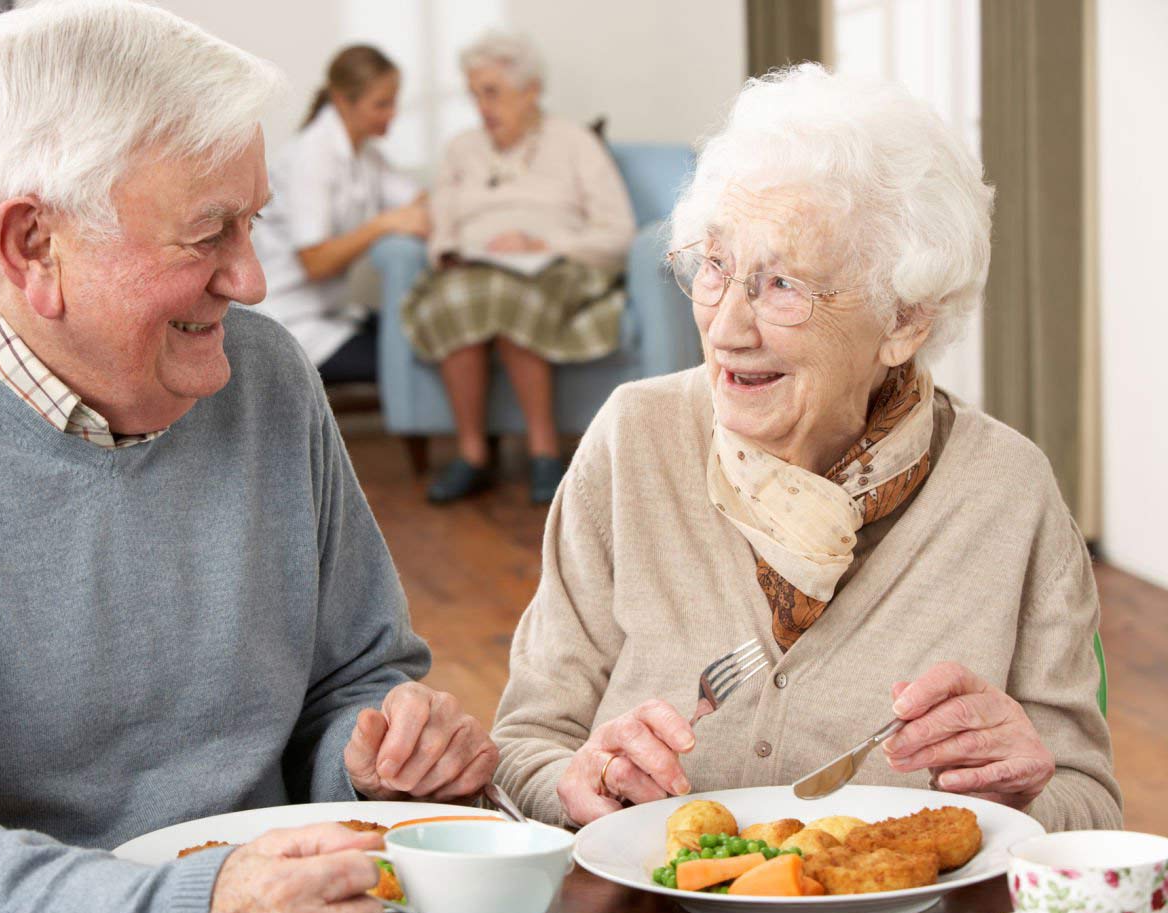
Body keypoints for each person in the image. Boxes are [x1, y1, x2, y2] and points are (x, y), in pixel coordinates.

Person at [0, 4, 497, 913]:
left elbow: (354, 678)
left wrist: (378, 760)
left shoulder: (267, 376)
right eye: (208, 234)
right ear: (33, 246)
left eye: (252, 222)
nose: (251, 279)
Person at [490, 64, 1121, 832]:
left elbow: (1090, 806)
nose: (727, 328)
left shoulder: (1006, 491)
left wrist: (1018, 803)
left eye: (782, 284)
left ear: (904, 321)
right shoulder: (636, 440)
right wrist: (573, 784)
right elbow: (524, 745)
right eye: (715, 267)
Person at [402, 32, 635, 505]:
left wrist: (545, 244)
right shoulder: (460, 149)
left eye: (492, 92)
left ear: (531, 90)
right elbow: (441, 229)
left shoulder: (574, 143)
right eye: (474, 94)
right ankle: (472, 456)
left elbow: (618, 231)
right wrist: (453, 252)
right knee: (460, 296)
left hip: (556, 267)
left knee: (508, 294)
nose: (481, 107)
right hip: (473, 269)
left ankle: (543, 452)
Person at [254, 44, 428, 384]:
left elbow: (419, 201)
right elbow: (315, 262)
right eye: (382, 104)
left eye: (394, 102)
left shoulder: (366, 156)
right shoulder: (311, 155)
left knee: (425, 335)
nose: (392, 113)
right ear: (343, 100)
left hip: (331, 313)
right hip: (290, 320)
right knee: (409, 358)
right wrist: (382, 225)